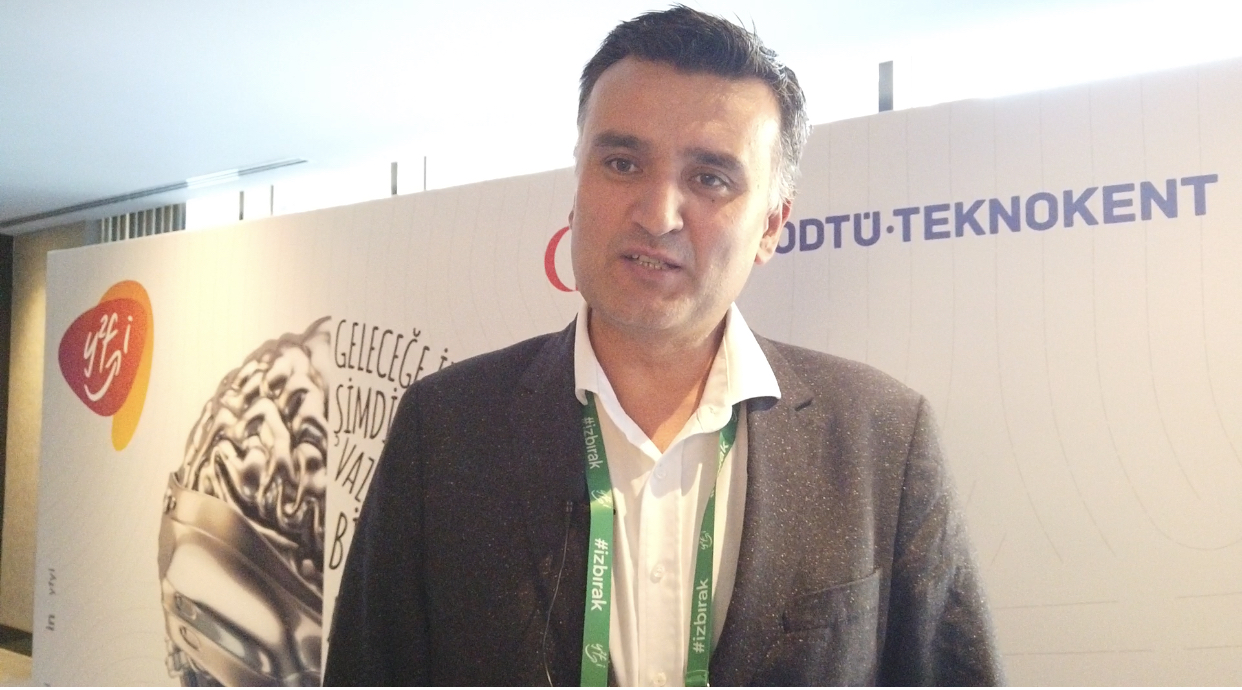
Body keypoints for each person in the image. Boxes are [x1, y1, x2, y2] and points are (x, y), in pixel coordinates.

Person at [324, 6, 1004, 686]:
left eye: (710, 178)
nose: (657, 215)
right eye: (622, 163)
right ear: (576, 185)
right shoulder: (445, 429)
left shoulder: (882, 438)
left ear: (771, 226)